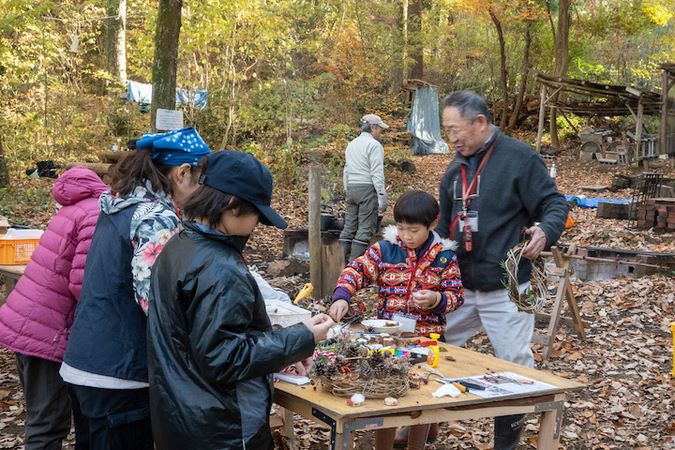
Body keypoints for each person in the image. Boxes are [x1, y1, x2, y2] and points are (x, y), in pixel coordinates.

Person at [147, 150, 335, 450]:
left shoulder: (179, 245)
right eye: (256, 215)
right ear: (232, 206)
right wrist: (302, 336)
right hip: (224, 429)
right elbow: (225, 358)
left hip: (181, 417)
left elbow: (201, 341)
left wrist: (281, 352)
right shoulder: (220, 267)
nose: (256, 225)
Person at [60, 127, 211, 450]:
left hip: (84, 364)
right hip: (121, 375)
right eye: (201, 181)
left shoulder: (118, 204)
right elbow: (158, 303)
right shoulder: (156, 217)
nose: (202, 192)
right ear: (183, 173)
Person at [436, 91, 567, 450]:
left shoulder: (519, 158)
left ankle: (505, 444)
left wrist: (545, 230)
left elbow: (554, 202)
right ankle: (422, 424)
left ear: (480, 122)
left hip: (507, 287)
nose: (452, 138)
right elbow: (445, 227)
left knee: (513, 366)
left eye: (455, 129)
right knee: (433, 345)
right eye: (447, 131)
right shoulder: (455, 169)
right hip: (460, 286)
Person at [329, 190, 464, 450]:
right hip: (387, 341)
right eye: (401, 228)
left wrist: (437, 299)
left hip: (427, 341)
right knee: (388, 392)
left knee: (421, 397)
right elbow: (356, 270)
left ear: (432, 224)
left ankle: (418, 443)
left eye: (413, 230)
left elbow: (456, 296)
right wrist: (342, 296)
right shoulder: (386, 250)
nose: (406, 236)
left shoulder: (445, 258)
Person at [0, 166, 107, 450]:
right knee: (48, 423)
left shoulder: (74, 207)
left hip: (29, 322)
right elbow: (82, 283)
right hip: (46, 331)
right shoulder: (95, 212)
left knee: (44, 417)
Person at [339, 113, 389, 262]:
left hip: (352, 188)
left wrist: (347, 189)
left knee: (349, 228)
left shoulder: (352, 144)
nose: (381, 132)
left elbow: (346, 170)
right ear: (373, 127)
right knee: (365, 229)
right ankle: (353, 268)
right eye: (380, 128)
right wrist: (382, 197)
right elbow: (377, 173)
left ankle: (338, 263)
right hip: (367, 189)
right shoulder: (374, 145)